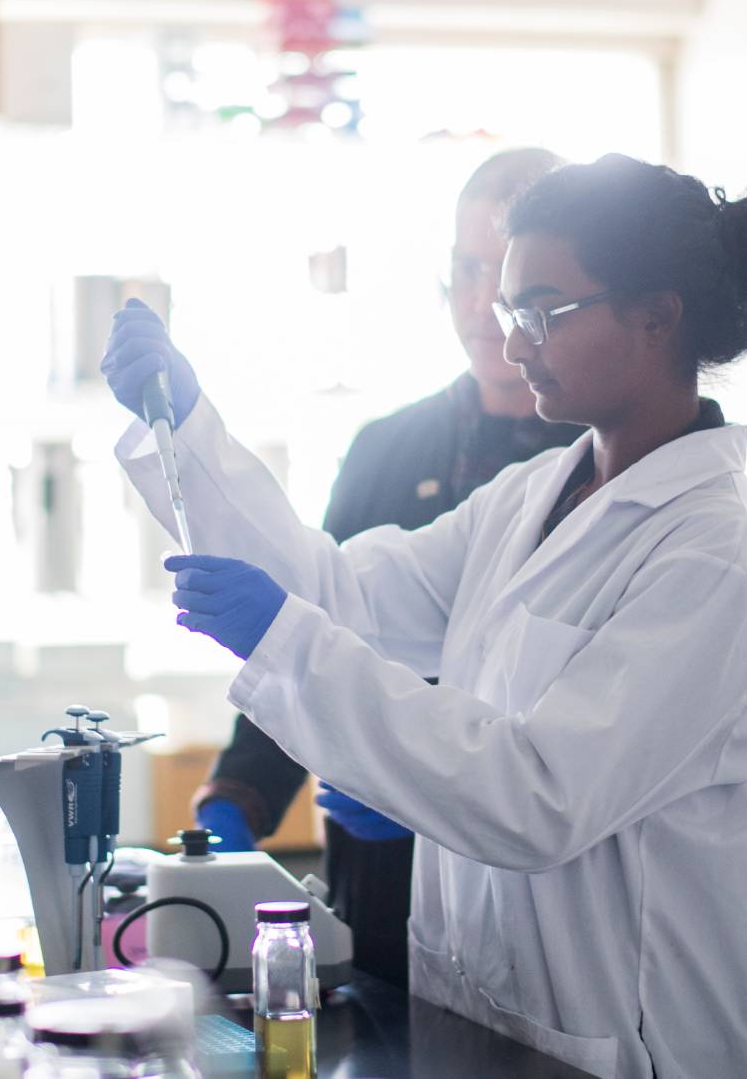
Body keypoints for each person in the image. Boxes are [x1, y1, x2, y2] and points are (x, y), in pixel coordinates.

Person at [102, 155, 747, 1078]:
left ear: (656, 314)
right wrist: (190, 429)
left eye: (541, 312)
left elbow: (537, 795)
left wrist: (290, 644)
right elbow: (343, 593)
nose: (512, 341)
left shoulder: (713, 553)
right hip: (491, 1030)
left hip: (636, 1053)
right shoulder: (535, 494)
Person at [191, 147, 581, 990]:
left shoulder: (593, 470)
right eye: (466, 269)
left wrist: (419, 788)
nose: (486, 302)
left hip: (516, 884)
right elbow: (313, 622)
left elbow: (569, 739)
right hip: (369, 878)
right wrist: (238, 797)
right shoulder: (386, 448)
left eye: (509, 276)